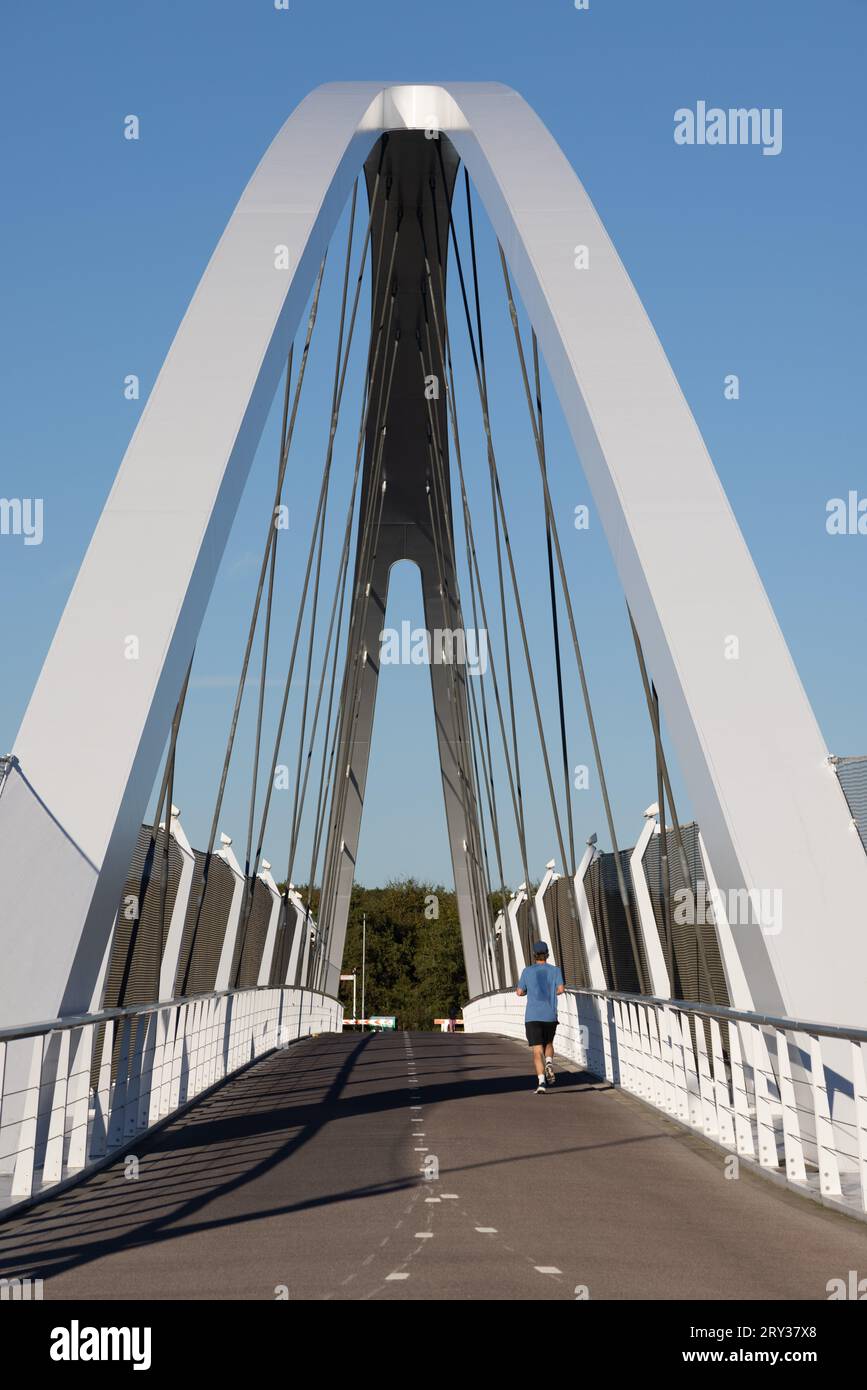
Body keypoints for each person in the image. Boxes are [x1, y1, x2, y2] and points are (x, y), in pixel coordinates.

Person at [516, 941, 565, 1093]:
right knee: (548, 1044)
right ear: (547, 954)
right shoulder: (555, 971)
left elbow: (519, 992)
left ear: (534, 955)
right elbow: (561, 989)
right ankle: (549, 1062)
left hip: (533, 1016)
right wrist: (551, 993)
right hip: (550, 1014)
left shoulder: (527, 971)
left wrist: (525, 992)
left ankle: (542, 1083)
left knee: (537, 1051)